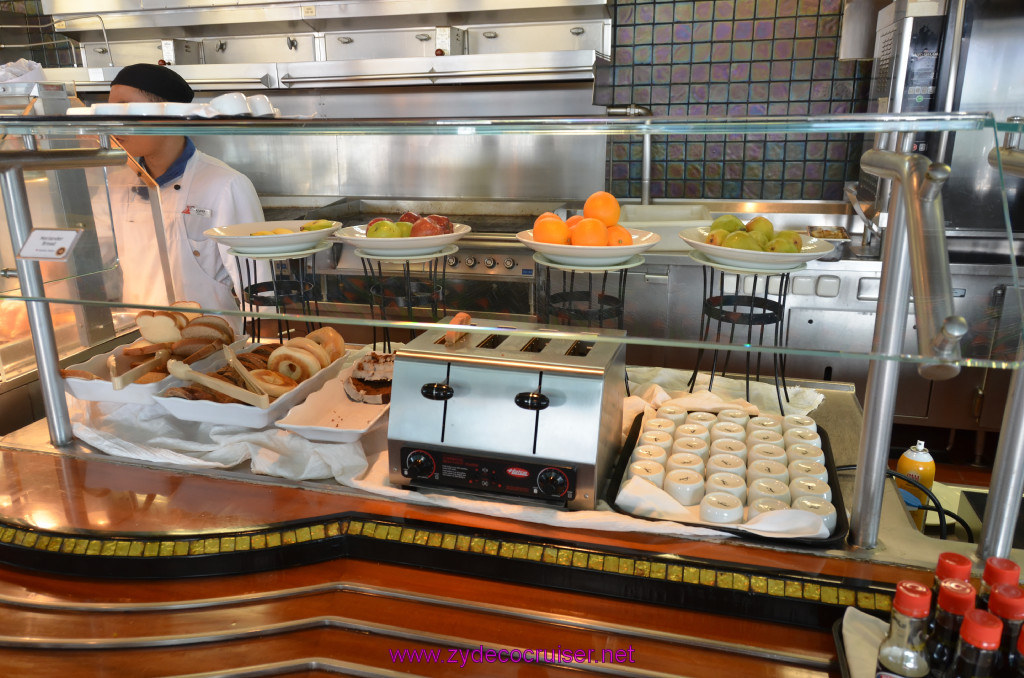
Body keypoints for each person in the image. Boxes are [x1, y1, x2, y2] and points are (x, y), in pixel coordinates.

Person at [106, 63, 267, 333]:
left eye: (125, 109)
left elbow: (261, 295)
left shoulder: (226, 185)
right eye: (108, 111)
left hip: (210, 347)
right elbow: (89, 257)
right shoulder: (115, 182)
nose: (113, 123)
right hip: (135, 340)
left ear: (170, 114)